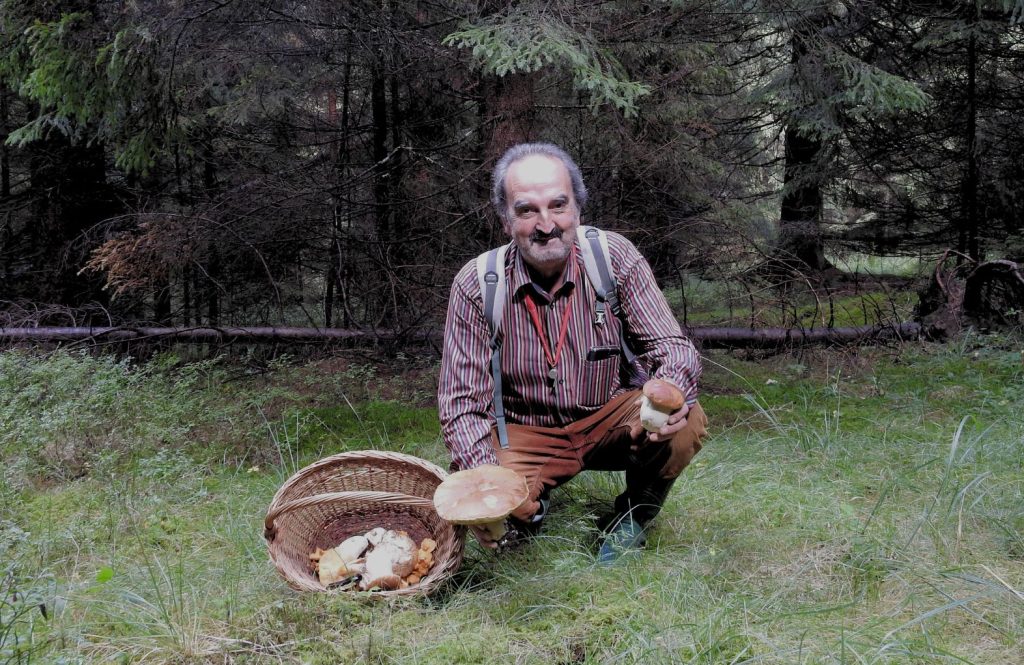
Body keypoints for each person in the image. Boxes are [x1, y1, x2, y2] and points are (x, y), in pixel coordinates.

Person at [437, 142, 707, 561]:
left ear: (578, 208)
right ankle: (530, 510)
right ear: (507, 221)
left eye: (558, 205)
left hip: (609, 419)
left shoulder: (612, 258)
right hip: (526, 431)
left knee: (685, 422)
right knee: (503, 524)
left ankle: (633, 515)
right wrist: (488, 485)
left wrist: (670, 387)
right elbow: (460, 405)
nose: (547, 224)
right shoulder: (477, 285)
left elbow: (671, 346)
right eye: (527, 210)